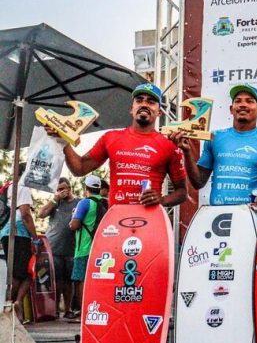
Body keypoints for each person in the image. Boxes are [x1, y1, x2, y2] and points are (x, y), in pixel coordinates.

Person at [49, 83, 187, 207]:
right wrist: (64, 140)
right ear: (131, 109)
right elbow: (79, 168)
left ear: (159, 112)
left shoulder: (169, 144)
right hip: (116, 221)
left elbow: (182, 192)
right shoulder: (111, 137)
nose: (144, 104)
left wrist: (161, 200)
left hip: (150, 220)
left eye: (151, 102)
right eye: (139, 101)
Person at [169, 84, 257, 205]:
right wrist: (187, 152)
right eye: (237, 101)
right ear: (231, 109)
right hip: (217, 213)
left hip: (250, 214)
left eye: (249, 101)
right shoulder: (215, 137)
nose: (242, 104)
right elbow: (198, 182)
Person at [0, 162, 40, 322]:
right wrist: (35, 238)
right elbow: (25, 215)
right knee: (26, 272)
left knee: (19, 272)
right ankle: (12, 304)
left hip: (6, 231)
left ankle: (13, 303)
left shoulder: (8, 186)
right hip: (19, 232)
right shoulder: (23, 187)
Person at [37, 177, 80, 318]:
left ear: (69, 188)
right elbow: (40, 214)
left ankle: (67, 310)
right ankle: (54, 310)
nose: (60, 192)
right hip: (53, 248)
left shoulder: (78, 202)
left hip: (71, 249)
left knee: (68, 281)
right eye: (58, 189)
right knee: (55, 281)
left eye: (63, 189)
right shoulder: (55, 203)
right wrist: (55, 199)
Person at [69, 175, 106, 315]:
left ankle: (85, 312)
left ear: (86, 189)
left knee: (82, 280)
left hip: (84, 248)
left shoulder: (84, 203)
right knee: (96, 281)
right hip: (101, 250)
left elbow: (74, 225)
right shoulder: (105, 203)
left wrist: (72, 219)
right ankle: (95, 310)